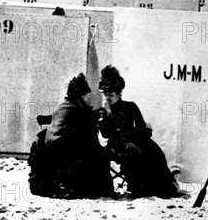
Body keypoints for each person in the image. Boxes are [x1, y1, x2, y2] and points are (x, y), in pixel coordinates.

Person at [97, 65, 180, 198]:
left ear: (118, 93)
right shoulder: (104, 112)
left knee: (154, 150)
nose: (108, 98)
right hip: (117, 144)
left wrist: (134, 135)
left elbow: (141, 126)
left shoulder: (130, 107)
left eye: (111, 95)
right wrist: (105, 116)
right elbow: (106, 134)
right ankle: (139, 187)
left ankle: (161, 187)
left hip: (133, 139)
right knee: (134, 153)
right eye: (106, 94)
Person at [29, 73, 113, 199]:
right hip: (66, 154)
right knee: (100, 156)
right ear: (82, 96)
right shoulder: (78, 110)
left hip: (48, 152)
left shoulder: (63, 106)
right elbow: (88, 134)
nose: (90, 99)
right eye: (88, 96)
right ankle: (103, 190)